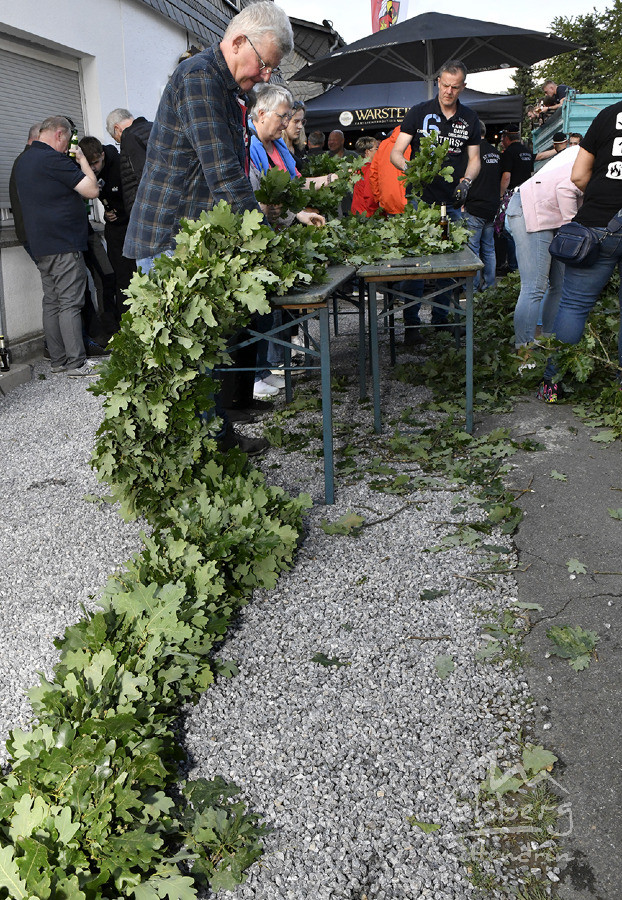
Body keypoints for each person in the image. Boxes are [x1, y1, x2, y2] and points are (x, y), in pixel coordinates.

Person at [123, 1, 294, 452]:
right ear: (239, 41)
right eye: (265, 64)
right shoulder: (199, 77)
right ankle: (194, 455)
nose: (265, 77)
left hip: (189, 239)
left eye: (271, 70)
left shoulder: (224, 88)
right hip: (168, 238)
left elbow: (227, 176)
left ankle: (213, 440)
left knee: (203, 353)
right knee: (184, 358)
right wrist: (267, 238)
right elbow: (223, 173)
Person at [537, 98, 622, 402]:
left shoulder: (608, 115)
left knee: (573, 305)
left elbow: (578, 176)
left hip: (598, 225)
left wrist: (602, 198)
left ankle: (552, 386)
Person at [390, 59, 481, 338]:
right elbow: (396, 153)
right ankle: (411, 324)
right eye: (444, 85)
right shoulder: (418, 113)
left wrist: (466, 181)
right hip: (419, 201)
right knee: (415, 265)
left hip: (451, 204)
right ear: (437, 83)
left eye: (455, 87)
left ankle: (442, 321)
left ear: (463, 87)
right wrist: (413, 170)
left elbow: (475, 159)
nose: (448, 92)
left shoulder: (470, 119)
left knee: (449, 265)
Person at [247, 83, 325, 398]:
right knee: (257, 309)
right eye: (282, 117)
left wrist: (298, 215)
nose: (285, 123)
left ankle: (265, 371)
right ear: (261, 113)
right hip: (256, 238)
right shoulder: (248, 146)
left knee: (270, 309)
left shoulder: (277, 147)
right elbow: (256, 199)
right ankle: (255, 376)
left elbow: (289, 191)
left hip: (277, 234)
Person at [13, 115, 100, 377]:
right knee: (70, 303)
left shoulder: (23, 160)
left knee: (51, 301)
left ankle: (58, 360)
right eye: (68, 140)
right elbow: (92, 190)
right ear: (60, 134)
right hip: (63, 242)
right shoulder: (53, 159)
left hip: (40, 244)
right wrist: (83, 160)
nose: (68, 147)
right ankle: (76, 363)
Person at [505, 146, 582, 358]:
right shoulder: (591, 157)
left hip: (553, 212)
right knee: (534, 286)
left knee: (560, 284)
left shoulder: (588, 151)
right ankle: (524, 355)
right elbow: (565, 190)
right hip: (530, 208)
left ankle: (548, 345)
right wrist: (575, 232)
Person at [79, 135, 136, 312]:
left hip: (129, 225)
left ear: (102, 155)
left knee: (133, 275)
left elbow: (131, 197)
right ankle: (122, 321)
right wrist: (106, 214)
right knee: (119, 277)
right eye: (89, 166)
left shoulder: (119, 165)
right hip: (113, 228)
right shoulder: (89, 170)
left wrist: (121, 215)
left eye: (95, 163)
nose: (93, 169)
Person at [463, 121, 501, 292]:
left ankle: (473, 287)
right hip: (492, 206)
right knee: (489, 248)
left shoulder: (470, 153)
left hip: (475, 206)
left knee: (473, 249)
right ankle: (490, 285)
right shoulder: (496, 153)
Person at [105, 108, 153, 216]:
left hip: (147, 208)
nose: (119, 142)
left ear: (117, 128)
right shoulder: (154, 127)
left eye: (116, 139)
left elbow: (142, 175)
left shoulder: (129, 136)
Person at [9, 123, 41, 260]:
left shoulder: (25, 159)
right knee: (58, 278)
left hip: (32, 233)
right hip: (36, 235)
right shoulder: (30, 160)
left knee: (53, 277)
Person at [368, 125, 410, 215]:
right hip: (411, 203)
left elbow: (373, 173)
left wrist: (379, 198)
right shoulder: (414, 144)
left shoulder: (383, 145)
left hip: (388, 203)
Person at [351, 136, 379, 217]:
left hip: (358, 214)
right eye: (376, 149)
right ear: (367, 152)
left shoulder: (358, 168)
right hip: (368, 216)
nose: (379, 151)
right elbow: (370, 197)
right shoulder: (370, 170)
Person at [282, 99, 307, 169]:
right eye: (296, 121)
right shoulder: (277, 150)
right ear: (284, 121)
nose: (300, 126)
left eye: (302, 121)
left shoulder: (300, 148)